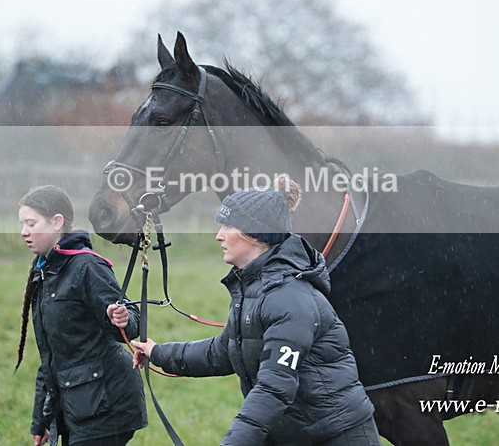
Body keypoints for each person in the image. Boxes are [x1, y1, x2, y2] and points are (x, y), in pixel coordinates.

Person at [109, 177, 379, 445]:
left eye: (228, 225)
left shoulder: (290, 299)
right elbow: (224, 351)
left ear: (256, 233)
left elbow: (274, 387)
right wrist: (157, 352)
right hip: (293, 436)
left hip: (337, 436)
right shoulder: (252, 287)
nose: (218, 235)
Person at [16, 185, 146, 446]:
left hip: (107, 403)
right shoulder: (44, 272)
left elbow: (133, 322)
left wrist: (121, 318)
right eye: (22, 224)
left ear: (56, 222)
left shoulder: (87, 266)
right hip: (75, 404)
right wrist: (41, 421)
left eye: (31, 223)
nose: (24, 232)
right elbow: (50, 356)